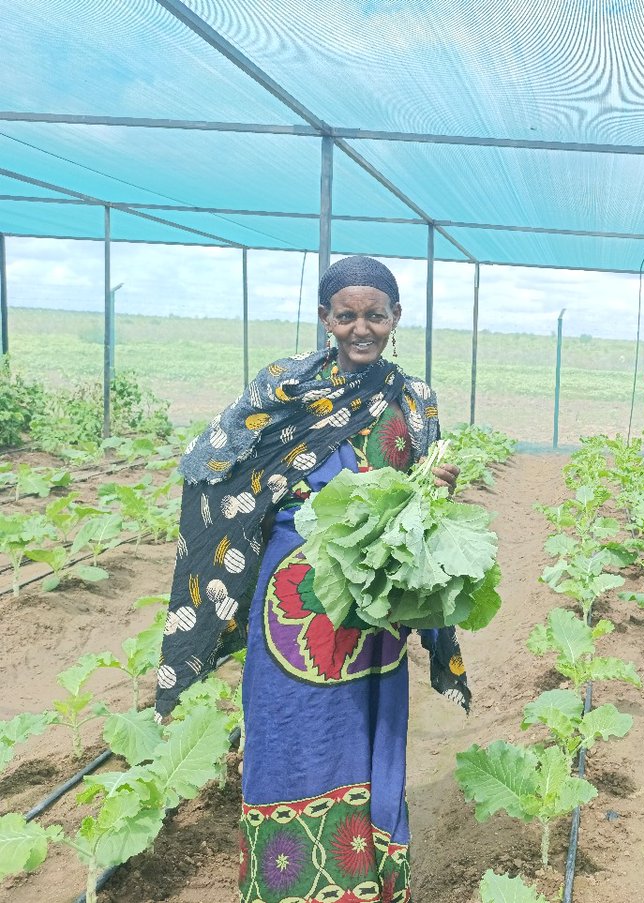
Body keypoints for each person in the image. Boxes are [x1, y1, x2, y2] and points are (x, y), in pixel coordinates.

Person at [155, 255, 470, 903]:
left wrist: (432, 485)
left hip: (370, 598)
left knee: (364, 728)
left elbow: (427, 494)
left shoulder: (413, 400)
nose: (362, 328)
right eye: (347, 314)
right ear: (325, 317)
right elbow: (208, 460)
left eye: (375, 315)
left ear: (396, 318)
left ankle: (366, 880)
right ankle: (285, 882)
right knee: (285, 722)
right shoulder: (286, 386)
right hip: (291, 592)